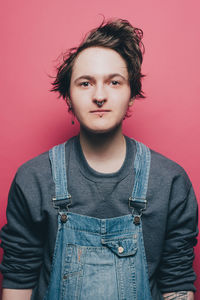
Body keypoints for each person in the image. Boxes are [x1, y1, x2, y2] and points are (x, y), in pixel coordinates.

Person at [0, 18, 198, 300]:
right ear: (68, 96)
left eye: (114, 82)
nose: (100, 96)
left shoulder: (170, 181)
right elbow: (19, 276)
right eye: (85, 83)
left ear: (132, 95)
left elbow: (176, 281)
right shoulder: (33, 178)